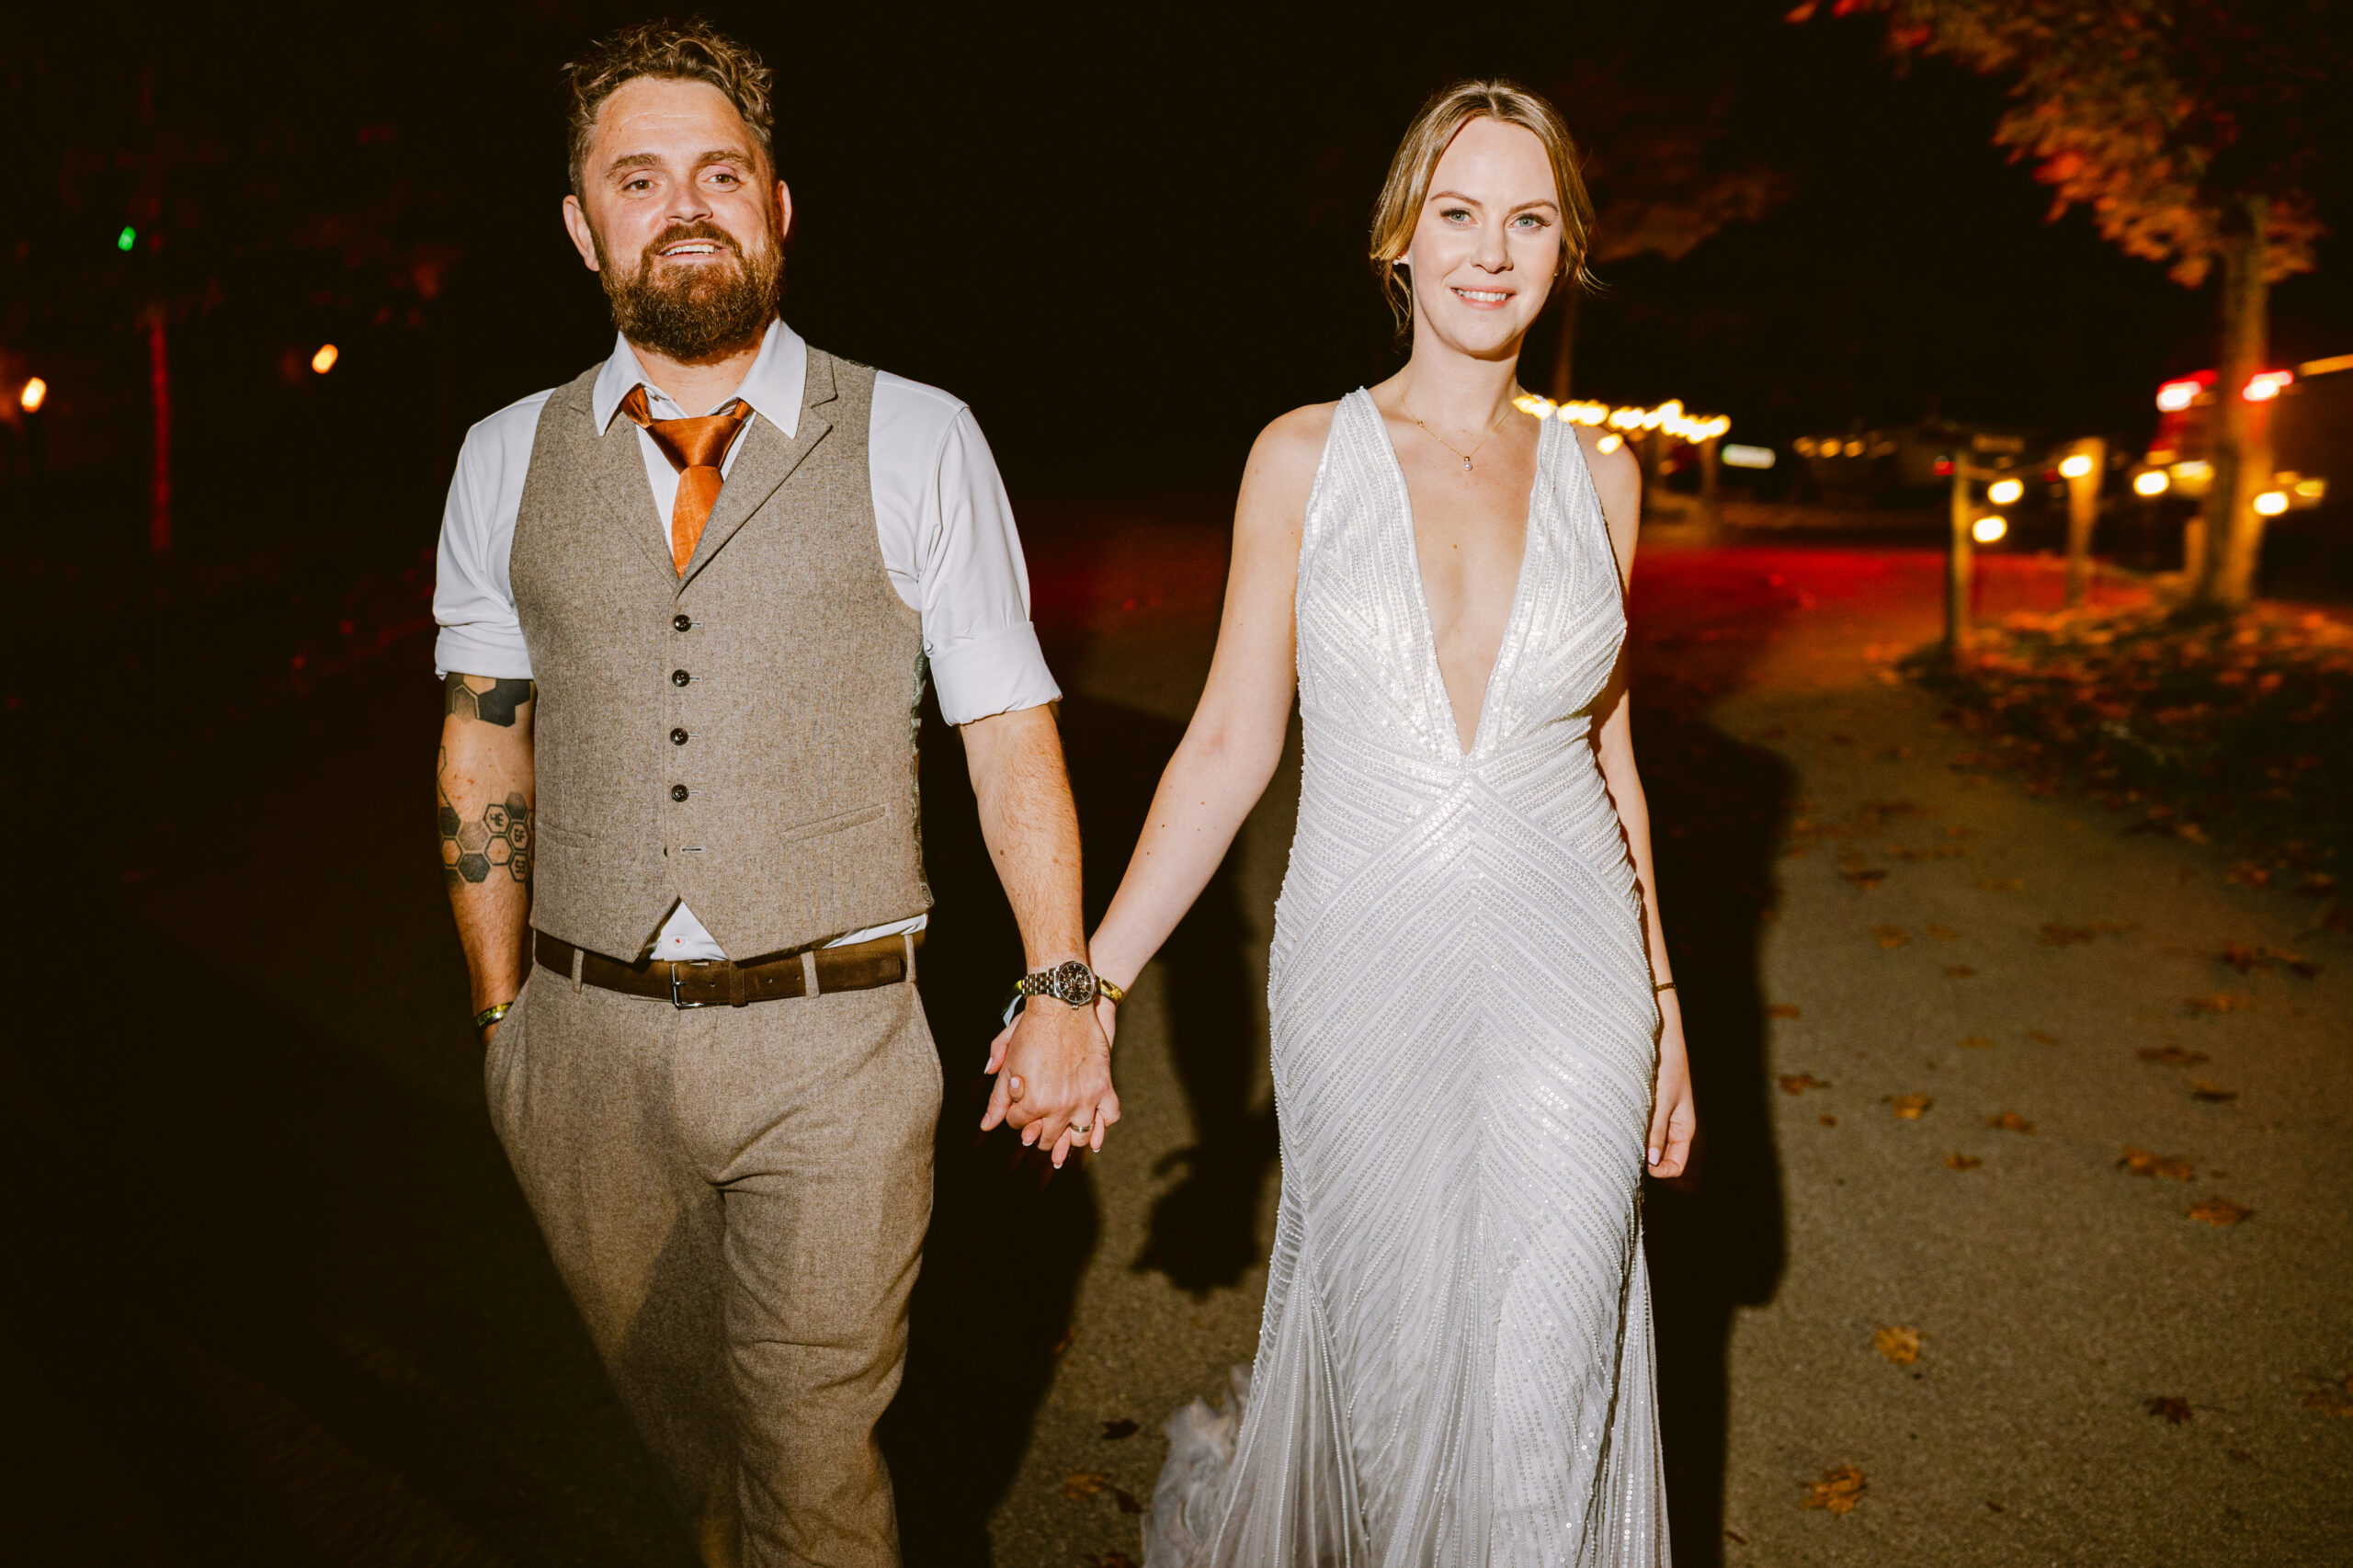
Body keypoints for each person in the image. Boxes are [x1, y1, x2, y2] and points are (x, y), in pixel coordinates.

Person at [428, 20, 1117, 1565]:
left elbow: (1008, 729)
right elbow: (484, 736)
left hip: (837, 1047)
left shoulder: (921, 436)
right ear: (580, 222)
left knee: (813, 1475)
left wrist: (1065, 978)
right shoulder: (499, 459)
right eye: (638, 175)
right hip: (580, 1055)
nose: (685, 204)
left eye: (720, 172)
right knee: (691, 1471)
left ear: (779, 204)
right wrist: (503, 1022)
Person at [1082, 81, 1694, 1564]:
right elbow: (1229, 742)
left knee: (1547, 1392)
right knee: (1397, 1383)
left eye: (1530, 219)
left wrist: (1668, 1003)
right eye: (1460, 213)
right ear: (1400, 241)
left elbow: (1610, 749)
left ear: (1568, 249)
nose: (1493, 250)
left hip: (1578, 989)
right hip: (1363, 973)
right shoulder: (1302, 458)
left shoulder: (1601, 477)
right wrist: (1085, 983)